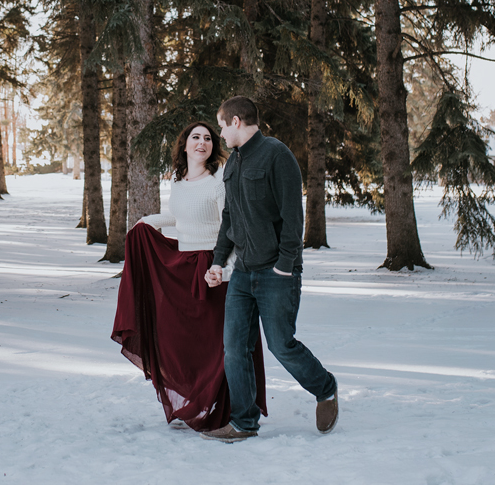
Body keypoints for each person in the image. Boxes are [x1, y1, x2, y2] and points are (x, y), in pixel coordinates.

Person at [112, 121, 267, 431]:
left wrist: (223, 269)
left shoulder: (219, 182)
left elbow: (232, 228)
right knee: (182, 341)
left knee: (217, 345)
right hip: (184, 267)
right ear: (184, 145)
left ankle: (224, 410)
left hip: (212, 267)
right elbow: (182, 216)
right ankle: (194, 400)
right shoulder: (178, 181)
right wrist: (148, 222)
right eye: (195, 137)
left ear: (213, 146)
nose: (202, 142)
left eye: (208, 138)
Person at [200, 96, 338, 442]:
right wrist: (219, 261)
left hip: (277, 273)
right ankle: (244, 422)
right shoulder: (232, 164)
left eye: (220, 125)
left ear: (235, 122)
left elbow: (294, 215)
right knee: (234, 348)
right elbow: (229, 217)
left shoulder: (277, 154)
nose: (218, 132)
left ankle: (325, 387)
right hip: (243, 273)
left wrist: (285, 266)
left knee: (281, 345)